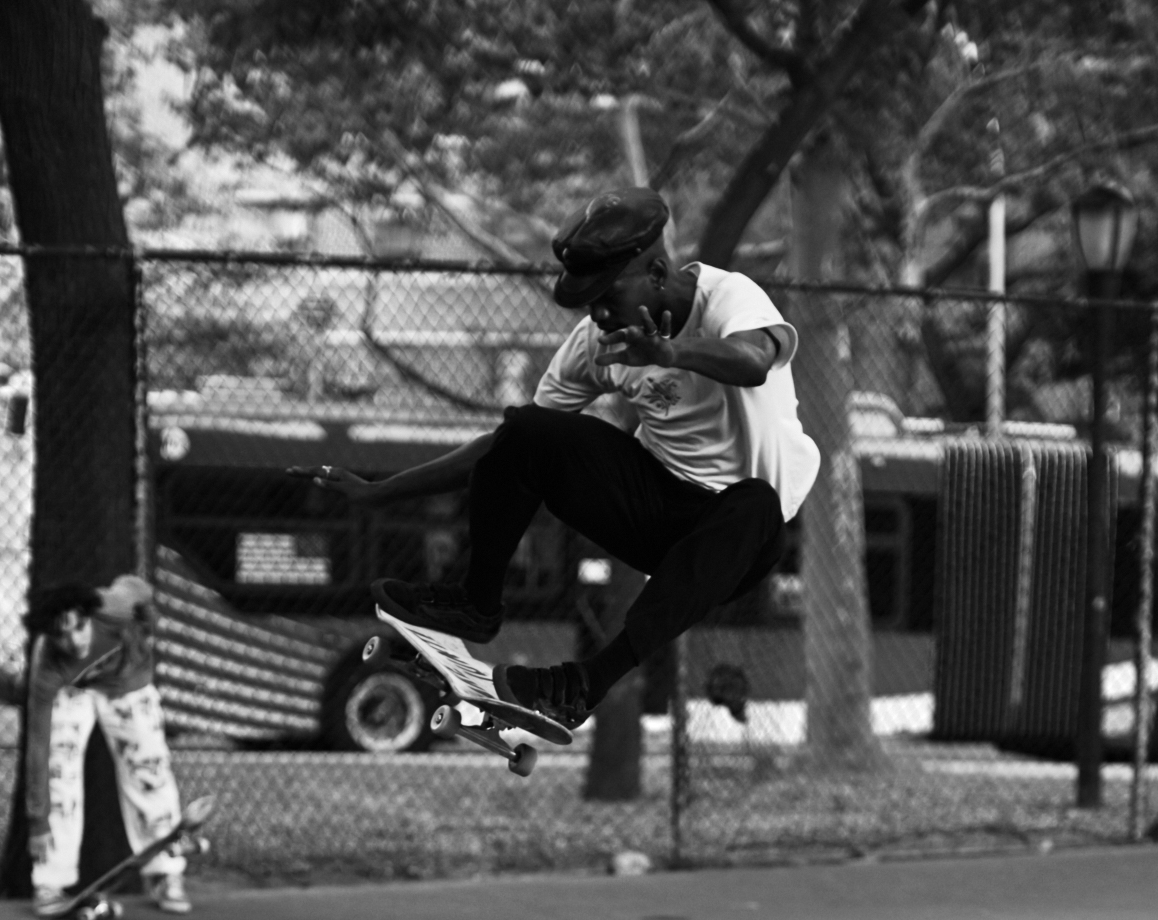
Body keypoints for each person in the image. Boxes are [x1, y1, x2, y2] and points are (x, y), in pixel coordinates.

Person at [314, 186, 819, 732]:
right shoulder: (595, 343)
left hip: (741, 538)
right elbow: (506, 449)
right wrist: (381, 490)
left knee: (756, 504)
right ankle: (475, 601)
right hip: (655, 511)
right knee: (528, 429)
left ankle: (586, 682)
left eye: (609, 296)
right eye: (588, 302)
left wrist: (670, 353)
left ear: (655, 273)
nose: (598, 313)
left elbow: (753, 360)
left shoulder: (728, 296)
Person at [23, 574, 190, 915]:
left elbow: (136, 586)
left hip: (127, 682)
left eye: (79, 627)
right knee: (59, 767)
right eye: (61, 634)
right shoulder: (48, 664)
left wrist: (148, 626)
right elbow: (39, 746)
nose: (74, 641)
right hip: (75, 690)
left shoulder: (111, 609)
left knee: (148, 764)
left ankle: (165, 873)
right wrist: (37, 823)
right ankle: (50, 879)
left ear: (90, 615)